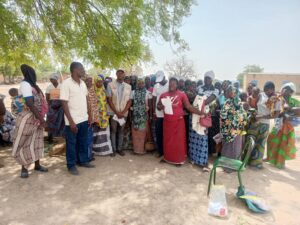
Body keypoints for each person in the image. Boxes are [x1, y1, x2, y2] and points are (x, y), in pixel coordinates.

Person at [12, 64, 48, 178]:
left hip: (36, 118)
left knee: (37, 142)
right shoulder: (25, 84)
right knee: (25, 142)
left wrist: (40, 118)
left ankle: (37, 165)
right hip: (27, 118)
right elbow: (29, 102)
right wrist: (41, 119)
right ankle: (24, 168)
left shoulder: (34, 86)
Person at [157, 78, 204, 165]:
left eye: (174, 84)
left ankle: (178, 160)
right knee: (167, 140)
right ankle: (167, 158)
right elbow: (158, 106)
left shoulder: (182, 94)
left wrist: (200, 113)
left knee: (178, 142)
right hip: (167, 122)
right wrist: (160, 107)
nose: (172, 85)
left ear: (177, 85)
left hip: (178, 123)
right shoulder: (163, 95)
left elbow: (188, 107)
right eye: (170, 84)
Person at [60, 62, 95, 175]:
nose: (84, 70)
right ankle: (71, 165)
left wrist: (89, 115)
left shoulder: (83, 84)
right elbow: (64, 103)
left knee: (83, 141)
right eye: (82, 68)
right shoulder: (66, 84)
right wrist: (71, 121)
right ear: (75, 70)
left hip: (83, 119)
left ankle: (83, 161)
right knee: (71, 143)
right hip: (72, 121)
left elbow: (86, 100)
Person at [247, 81, 281, 169]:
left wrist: (262, 116)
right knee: (250, 141)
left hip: (265, 124)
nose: (266, 92)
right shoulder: (261, 95)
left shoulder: (277, 99)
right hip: (255, 122)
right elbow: (253, 104)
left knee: (260, 144)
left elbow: (276, 114)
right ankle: (246, 160)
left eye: (268, 90)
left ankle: (256, 163)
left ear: (272, 89)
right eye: (265, 90)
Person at [189, 71, 219, 171]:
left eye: (208, 78)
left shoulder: (216, 90)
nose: (206, 80)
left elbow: (208, 101)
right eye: (205, 78)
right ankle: (194, 158)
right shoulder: (200, 87)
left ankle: (203, 161)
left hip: (205, 115)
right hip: (195, 113)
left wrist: (199, 98)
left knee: (203, 137)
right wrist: (197, 98)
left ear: (212, 80)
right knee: (194, 136)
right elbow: (194, 99)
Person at [266, 82, 299, 169]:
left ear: (291, 92)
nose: (285, 90)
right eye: (284, 88)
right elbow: (269, 106)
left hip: (287, 126)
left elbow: (298, 113)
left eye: (287, 89)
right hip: (278, 123)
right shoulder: (278, 98)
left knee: (283, 143)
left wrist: (291, 113)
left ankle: (281, 163)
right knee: (271, 140)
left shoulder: (294, 102)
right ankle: (269, 158)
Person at [107, 69, 132, 156]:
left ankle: (119, 149)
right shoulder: (110, 85)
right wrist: (117, 112)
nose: (120, 75)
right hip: (113, 113)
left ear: (124, 75)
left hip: (123, 113)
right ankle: (113, 150)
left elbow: (129, 101)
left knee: (121, 131)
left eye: (122, 73)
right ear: (116, 74)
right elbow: (109, 100)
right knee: (113, 131)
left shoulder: (128, 86)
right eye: (119, 73)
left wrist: (123, 112)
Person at [220, 86, 247, 163]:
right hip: (238, 129)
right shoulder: (238, 101)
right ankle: (234, 165)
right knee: (236, 147)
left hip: (229, 129)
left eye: (228, 91)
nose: (227, 93)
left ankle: (228, 166)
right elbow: (243, 116)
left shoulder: (228, 102)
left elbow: (223, 115)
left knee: (229, 147)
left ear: (233, 93)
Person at [93, 75, 113, 156]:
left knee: (105, 133)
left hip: (104, 116)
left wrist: (108, 112)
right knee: (96, 133)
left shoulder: (104, 90)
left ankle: (106, 151)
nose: (100, 83)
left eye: (101, 82)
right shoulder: (92, 92)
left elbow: (107, 102)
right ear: (95, 82)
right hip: (96, 116)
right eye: (98, 81)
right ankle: (95, 151)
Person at [152, 71, 169, 157]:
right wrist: (154, 111)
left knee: (168, 134)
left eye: (161, 80)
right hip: (158, 114)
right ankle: (160, 151)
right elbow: (154, 99)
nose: (159, 82)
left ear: (164, 77)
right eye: (158, 80)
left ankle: (167, 152)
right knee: (159, 133)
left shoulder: (170, 85)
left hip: (168, 113)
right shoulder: (156, 86)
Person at [131, 78, 150, 154]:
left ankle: (142, 149)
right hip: (135, 116)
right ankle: (136, 150)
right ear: (137, 84)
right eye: (139, 83)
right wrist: (130, 116)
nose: (140, 85)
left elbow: (150, 105)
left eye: (142, 83)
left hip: (143, 117)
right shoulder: (133, 92)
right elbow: (131, 103)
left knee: (142, 132)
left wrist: (150, 115)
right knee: (135, 133)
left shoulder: (147, 92)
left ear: (144, 84)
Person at [45, 73, 64, 143]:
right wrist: (50, 106)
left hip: (60, 107)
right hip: (52, 107)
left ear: (56, 79)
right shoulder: (49, 87)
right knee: (51, 121)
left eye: (52, 79)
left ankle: (59, 137)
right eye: (50, 79)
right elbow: (47, 98)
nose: (51, 81)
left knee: (60, 121)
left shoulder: (61, 86)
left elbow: (64, 97)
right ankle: (51, 137)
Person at [85, 76, 98, 161]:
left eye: (91, 81)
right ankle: (87, 156)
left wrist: (96, 119)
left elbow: (95, 105)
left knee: (90, 137)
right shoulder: (84, 91)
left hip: (93, 119)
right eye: (88, 81)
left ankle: (89, 154)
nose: (89, 82)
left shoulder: (93, 90)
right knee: (87, 138)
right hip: (86, 118)